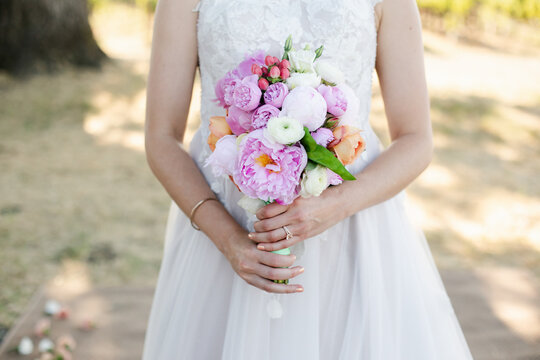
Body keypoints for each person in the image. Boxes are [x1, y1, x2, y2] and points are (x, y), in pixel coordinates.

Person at [141, 0, 474, 358]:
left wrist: (333, 206)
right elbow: (161, 137)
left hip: (352, 232)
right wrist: (229, 240)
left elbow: (416, 139)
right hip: (223, 232)